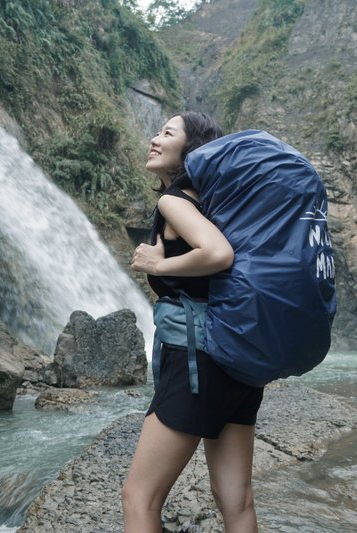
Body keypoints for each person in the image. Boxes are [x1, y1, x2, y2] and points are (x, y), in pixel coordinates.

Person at [122, 111, 264, 533]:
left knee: (139, 497)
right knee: (236, 502)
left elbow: (218, 255)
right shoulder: (218, 205)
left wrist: (159, 262)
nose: (154, 138)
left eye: (167, 133)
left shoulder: (174, 201)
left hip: (196, 357)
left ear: (191, 150)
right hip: (238, 360)